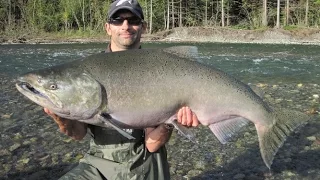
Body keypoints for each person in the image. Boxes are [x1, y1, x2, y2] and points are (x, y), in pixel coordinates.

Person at [44, 0, 199, 179]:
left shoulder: (157, 69)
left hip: (146, 163)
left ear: (143, 27)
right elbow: (79, 133)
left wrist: (170, 121)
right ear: (108, 27)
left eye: (133, 20)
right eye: (118, 20)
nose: (126, 26)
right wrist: (60, 117)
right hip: (99, 163)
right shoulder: (87, 72)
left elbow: (152, 145)